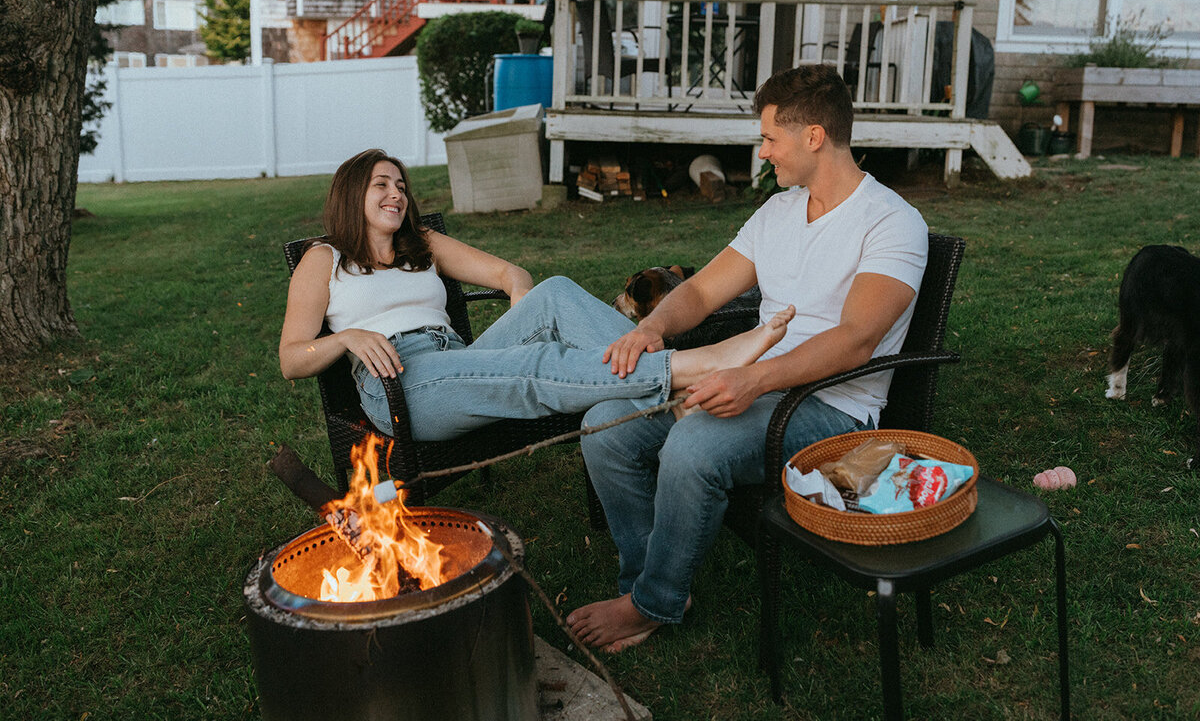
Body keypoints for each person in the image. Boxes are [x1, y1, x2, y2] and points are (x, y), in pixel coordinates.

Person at [567, 65, 929, 653]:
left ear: (814, 136)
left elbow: (858, 338)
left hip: (832, 407)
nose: (762, 153)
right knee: (604, 429)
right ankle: (650, 584)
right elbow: (705, 291)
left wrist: (754, 380)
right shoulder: (780, 211)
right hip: (755, 380)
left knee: (693, 445)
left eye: (770, 138)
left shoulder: (891, 222)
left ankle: (650, 605)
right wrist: (654, 325)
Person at [279, 148, 796, 441]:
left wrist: (521, 294)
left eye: (401, 186)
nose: (398, 194)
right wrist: (346, 337)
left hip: (457, 362)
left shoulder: (425, 244)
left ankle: (674, 384)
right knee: (534, 363)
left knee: (554, 293)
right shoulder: (323, 259)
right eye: (381, 186)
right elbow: (291, 360)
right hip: (396, 386)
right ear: (352, 194)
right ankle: (693, 370)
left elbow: (511, 273)